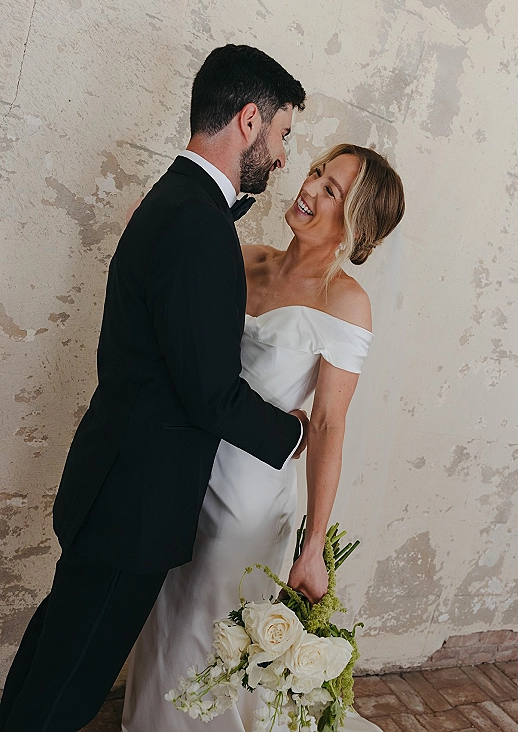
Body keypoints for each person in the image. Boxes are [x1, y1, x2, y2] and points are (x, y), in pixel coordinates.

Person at [0, 44, 310, 732]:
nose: (285, 157)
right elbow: (208, 392)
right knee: (66, 690)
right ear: (250, 121)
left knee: (53, 661)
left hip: (112, 484)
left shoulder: (174, 198)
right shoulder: (198, 224)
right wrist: (291, 432)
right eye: (284, 135)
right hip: (131, 506)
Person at [121, 142, 405, 732]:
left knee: (214, 629)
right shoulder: (244, 257)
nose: (309, 188)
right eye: (315, 173)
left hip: (250, 496)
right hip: (184, 469)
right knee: (166, 615)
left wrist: (313, 544)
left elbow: (327, 425)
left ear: (355, 224)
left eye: (332, 190)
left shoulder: (347, 304)